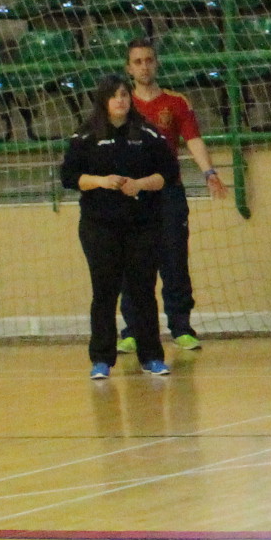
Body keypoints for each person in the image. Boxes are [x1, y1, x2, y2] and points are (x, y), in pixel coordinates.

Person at [60, 76, 176, 379]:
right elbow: (70, 177)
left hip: (142, 225)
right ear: (103, 101)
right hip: (100, 226)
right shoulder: (85, 136)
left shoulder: (148, 133)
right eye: (113, 96)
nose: (120, 100)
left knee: (143, 291)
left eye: (124, 94)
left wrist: (139, 184)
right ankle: (101, 359)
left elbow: (168, 175)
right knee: (104, 292)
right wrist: (102, 181)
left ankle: (151, 356)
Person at [125, 38, 231, 356]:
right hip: (131, 195)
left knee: (174, 260)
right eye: (138, 61)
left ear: (156, 64)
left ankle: (181, 328)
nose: (144, 66)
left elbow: (193, 140)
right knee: (133, 264)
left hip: (168, 192)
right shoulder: (120, 104)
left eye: (149, 60)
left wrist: (210, 173)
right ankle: (133, 330)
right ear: (129, 68)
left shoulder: (176, 102)